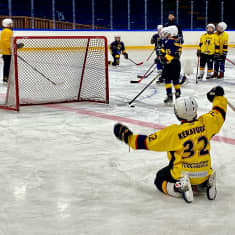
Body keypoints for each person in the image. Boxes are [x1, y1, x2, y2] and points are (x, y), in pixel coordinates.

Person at [113, 86, 227, 203]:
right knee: (202, 172)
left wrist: (129, 138)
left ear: (178, 113)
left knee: (160, 178)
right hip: (203, 172)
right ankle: (206, 184)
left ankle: (178, 187)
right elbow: (219, 114)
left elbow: (149, 142)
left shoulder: (174, 132)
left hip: (183, 173)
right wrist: (218, 97)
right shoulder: (207, 123)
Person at [159, 26, 182, 103]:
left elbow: (171, 54)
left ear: (171, 34)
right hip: (176, 64)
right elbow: (165, 50)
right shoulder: (176, 41)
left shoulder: (170, 42)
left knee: (168, 80)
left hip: (170, 64)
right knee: (176, 80)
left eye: (167, 33)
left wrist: (163, 59)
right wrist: (161, 55)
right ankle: (178, 94)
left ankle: (169, 95)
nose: (165, 34)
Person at [0, 18, 13, 82]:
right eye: (10, 24)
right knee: (8, 66)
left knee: (6, 65)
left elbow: (2, 41)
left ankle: (5, 77)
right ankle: (6, 78)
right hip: (8, 52)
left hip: (4, 51)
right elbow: (6, 41)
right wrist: (11, 48)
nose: (11, 25)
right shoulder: (8, 31)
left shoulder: (3, 31)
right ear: (7, 24)